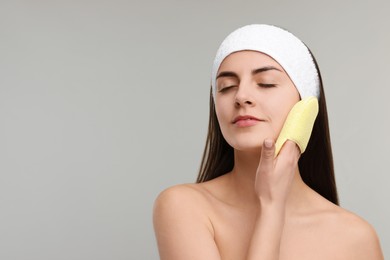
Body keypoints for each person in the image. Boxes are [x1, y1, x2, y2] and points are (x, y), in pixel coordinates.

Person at [153, 24, 384, 259]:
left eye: (266, 83)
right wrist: (271, 209)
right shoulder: (184, 207)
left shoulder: (355, 238)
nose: (241, 96)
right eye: (226, 87)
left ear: (306, 108)